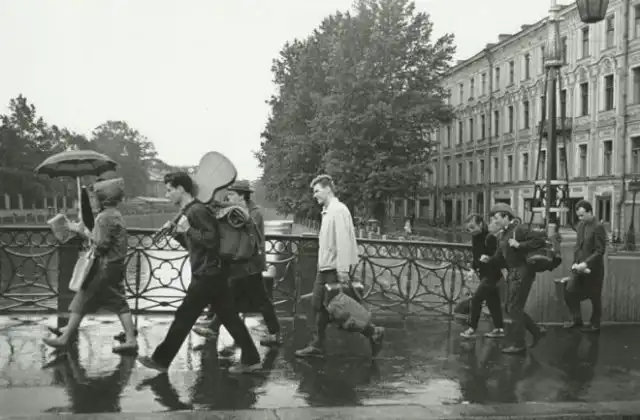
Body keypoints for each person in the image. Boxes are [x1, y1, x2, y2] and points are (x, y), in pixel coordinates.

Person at [137, 172, 261, 374]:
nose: (167, 195)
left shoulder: (197, 210)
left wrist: (187, 229)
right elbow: (194, 246)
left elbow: (211, 241)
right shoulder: (191, 211)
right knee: (229, 317)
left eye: (169, 190)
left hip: (207, 274)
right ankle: (252, 359)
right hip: (212, 272)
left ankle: (161, 360)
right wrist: (178, 233)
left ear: (181, 189)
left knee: (184, 317)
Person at [43, 177, 138, 353]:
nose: (92, 201)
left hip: (103, 266)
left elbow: (101, 245)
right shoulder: (115, 214)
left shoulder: (103, 217)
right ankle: (129, 339)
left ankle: (65, 337)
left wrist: (82, 232)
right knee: (109, 302)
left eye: (94, 198)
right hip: (114, 265)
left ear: (104, 200)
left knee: (87, 299)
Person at [294, 174, 384, 358]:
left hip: (333, 269)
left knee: (338, 308)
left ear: (328, 189)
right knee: (318, 305)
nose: (314, 195)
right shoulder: (328, 211)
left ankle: (373, 332)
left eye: (317, 191)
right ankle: (317, 344)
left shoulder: (338, 210)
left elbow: (343, 241)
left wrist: (342, 269)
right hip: (325, 268)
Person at [193, 179, 281, 348]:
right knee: (233, 297)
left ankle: (274, 334)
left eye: (232, 194)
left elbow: (242, 232)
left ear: (242, 196)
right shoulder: (236, 210)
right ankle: (213, 329)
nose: (228, 198)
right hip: (239, 263)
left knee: (260, 300)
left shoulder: (253, 213)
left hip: (250, 264)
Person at [480, 203, 546, 354]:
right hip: (513, 274)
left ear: (506, 217)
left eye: (496, 218)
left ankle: (519, 344)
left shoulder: (519, 229)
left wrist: (519, 245)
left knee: (513, 308)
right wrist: (489, 259)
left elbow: (540, 240)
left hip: (523, 272)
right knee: (510, 307)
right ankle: (536, 331)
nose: (494, 221)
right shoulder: (504, 234)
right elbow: (499, 256)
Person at [563, 200, 606, 333]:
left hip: (593, 269)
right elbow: (578, 245)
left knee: (595, 297)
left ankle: (595, 324)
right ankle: (577, 319)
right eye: (578, 216)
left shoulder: (598, 226)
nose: (580, 218)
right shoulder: (581, 225)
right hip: (579, 266)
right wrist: (575, 263)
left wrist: (586, 263)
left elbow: (600, 250)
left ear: (590, 212)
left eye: (582, 215)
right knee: (569, 291)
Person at [460, 214, 505, 339]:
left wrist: (488, 259)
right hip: (484, 274)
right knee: (492, 301)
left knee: (476, 299)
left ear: (480, 224)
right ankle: (499, 328)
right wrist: (472, 268)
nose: (471, 231)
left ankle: (472, 328)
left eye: (473, 227)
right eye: (468, 229)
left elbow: (498, 257)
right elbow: (476, 255)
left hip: (492, 274)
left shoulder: (489, 238)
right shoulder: (476, 237)